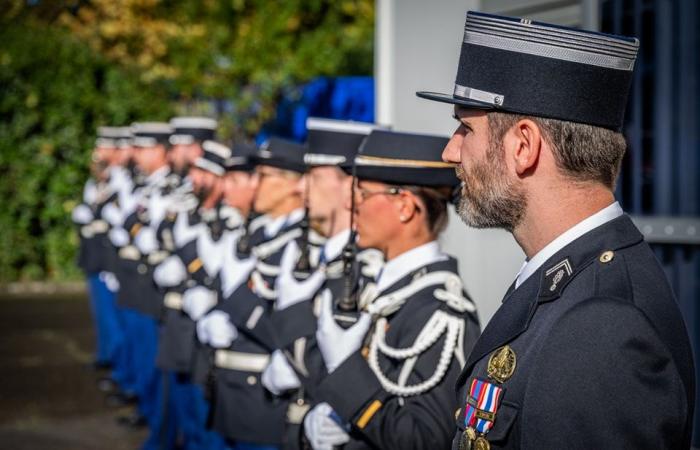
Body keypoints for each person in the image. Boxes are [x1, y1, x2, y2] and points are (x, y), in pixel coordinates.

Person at [417, 10, 695, 449]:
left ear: (524, 146)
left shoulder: (603, 327)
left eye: (465, 128)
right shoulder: (570, 280)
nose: (451, 151)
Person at [303, 129, 481, 449]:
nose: (349, 203)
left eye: (363, 194)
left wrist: (348, 380)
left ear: (405, 207)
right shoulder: (381, 286)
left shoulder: (439, 312)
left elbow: (426, 439)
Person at [260, 118, 385, 448]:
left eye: (314, 176)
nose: (301, 188)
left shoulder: (366, 267)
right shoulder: (319, 256)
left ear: (349, 186)